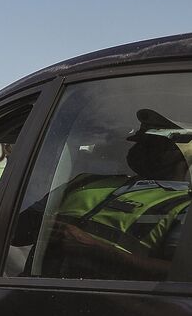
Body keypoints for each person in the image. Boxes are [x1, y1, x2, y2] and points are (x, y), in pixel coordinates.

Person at [30, 108, 191, 280]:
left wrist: (96, 250)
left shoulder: (183, 205)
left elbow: (182, 276)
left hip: (106, 303)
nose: (138, 148)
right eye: (139, 141)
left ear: (184, 154)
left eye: (153, 144)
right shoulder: (86, 181)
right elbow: (14, 231)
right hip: (33, 294)